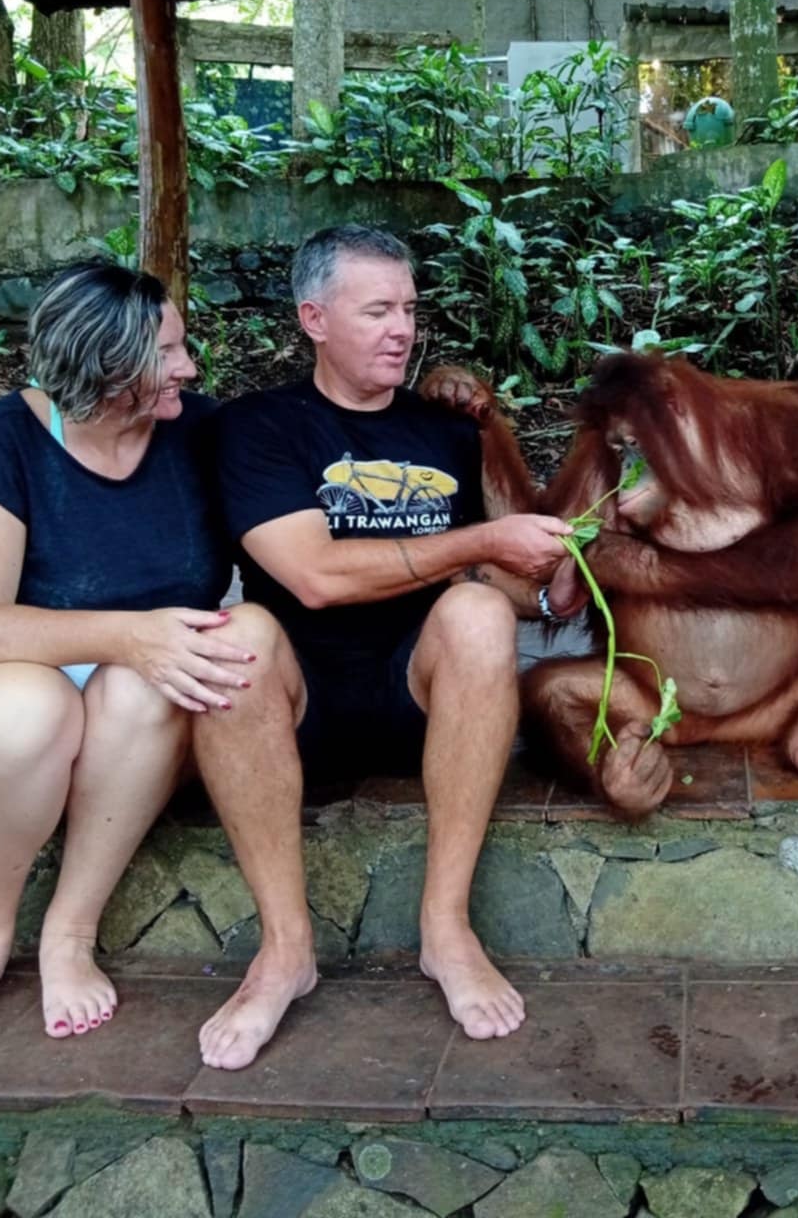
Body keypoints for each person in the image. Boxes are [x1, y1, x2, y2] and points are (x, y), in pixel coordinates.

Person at [206, 224, 570, 1066]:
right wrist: (481, 543)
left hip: (421, 704)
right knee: (238, 634)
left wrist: (564, 574)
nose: (402, 329)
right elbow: (313, 576)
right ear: (314, 319)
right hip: (296, 710)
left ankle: (445, 928)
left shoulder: (444, 432)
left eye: (408, 309)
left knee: (480, 614)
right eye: (377, 311)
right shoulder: (260, 427)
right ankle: (285, 949)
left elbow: (500, 581)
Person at [0, 262, 246, 1041]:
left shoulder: (200, 430)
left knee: (144, 684)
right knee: (27, 710)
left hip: (155, 702)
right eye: (166, 353)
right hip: (40, 681)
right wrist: (124, 635)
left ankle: (69, 933)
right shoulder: (8, 438)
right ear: (106, 366)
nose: (189, 368)